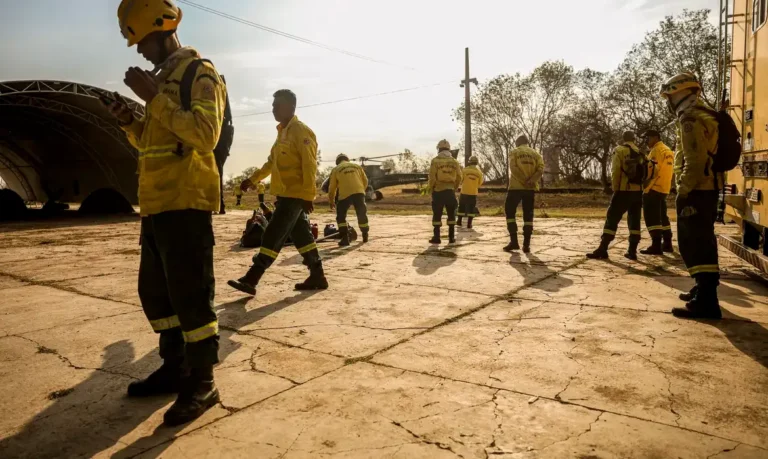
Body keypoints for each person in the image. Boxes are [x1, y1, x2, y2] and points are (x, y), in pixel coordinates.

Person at [107, 0, 225, 426]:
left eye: (143, 41)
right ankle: (175, 366)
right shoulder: (161, 82)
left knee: (193, 298)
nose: (139, 51)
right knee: (156, 295)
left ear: (164, 30)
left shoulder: (199, 73)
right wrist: (129, 122)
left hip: (186, 202)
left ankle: (204, 382)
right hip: (156, 204)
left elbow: (205, 136)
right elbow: (153, 143)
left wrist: (154, 99)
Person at [228, 89, 328, 296]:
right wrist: (252, 179)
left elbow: (310, 166)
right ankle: (317, 275)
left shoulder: (301, 132)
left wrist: (308, 196)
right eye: (272, 105)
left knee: (273, 235)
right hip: (285, 195)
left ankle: (252, 278)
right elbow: (270, 163)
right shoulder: (282, 133)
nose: (273, 109)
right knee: (302, 236)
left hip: (295, 196)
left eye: (277, 105)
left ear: (291, 107)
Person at [660, 72, 723, 319]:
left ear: (682, 92)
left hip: (697, 189)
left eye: (670, 95)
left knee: (695, 243)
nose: (669, 101)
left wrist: (684, 190)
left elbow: (695, 161)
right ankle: (702, 290)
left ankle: (707, 301)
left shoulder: (691, 119)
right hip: (706, 188)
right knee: (702, 240)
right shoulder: (705, 114)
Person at [586, 132, 644, 261]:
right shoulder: (640, 152)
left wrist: (615, 188)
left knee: (612, 218)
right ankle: (632, 251)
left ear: (623, 139)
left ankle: (603, 248)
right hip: (638, 192)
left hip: (623, 190)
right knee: (635, 220)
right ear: (634, 139)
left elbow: (616, 170)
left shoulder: (619, 150)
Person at [504, 135, 544, 253]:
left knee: (510, 211)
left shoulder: (515, 152)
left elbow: (513, 168)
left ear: (517, 143)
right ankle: (526, 245)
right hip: (530, 189)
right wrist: (531, 180)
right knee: (528, 215)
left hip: (516, 187)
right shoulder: (536, 154)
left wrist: (523, 180)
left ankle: (514, 241)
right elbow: (540, 169)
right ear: (527, 142)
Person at [640, 130, 675, 255]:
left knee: (652, 218)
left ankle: (656, 245)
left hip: (653, 188)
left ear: (655, 137)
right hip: (664, 188)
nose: (646, 141)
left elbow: (652, 172)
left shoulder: (656, 151)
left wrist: (646, 187)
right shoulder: (668, 150)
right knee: (662, 217)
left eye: (647, 138)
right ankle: (667, 243)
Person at [328, 153, 370, 245]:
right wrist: (361, 191)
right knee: (361, 213)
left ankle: (345, 238)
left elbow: (332, 188)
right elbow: (366, 181)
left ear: (337, 162)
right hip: (359, 193)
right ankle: (365, 235)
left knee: (341, 216)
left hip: (344, 195)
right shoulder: (357, 167)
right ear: (347, 159)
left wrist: (331, 201)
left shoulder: (336, 169)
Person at [428, 140, 462, 244]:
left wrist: (431, 188)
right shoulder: (454, 162)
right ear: (449, 149)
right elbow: (459, 177)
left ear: (439, 149)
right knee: (451, 215)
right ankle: (451, 237)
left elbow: (432, 177)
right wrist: (454, 187)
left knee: (437, 215)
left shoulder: (435, 161)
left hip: (438, 191)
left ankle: (437, 237)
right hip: (450, 191)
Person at [457, 156, 483, 229]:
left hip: (464, 191)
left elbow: (461, 179)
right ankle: (469, 224)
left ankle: (459, 221)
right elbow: (480, 183)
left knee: (461, 206)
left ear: (469, 162)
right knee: (471, 208)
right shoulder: (479, 172)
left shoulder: (465, 170)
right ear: (477, 163)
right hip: (473, 193)